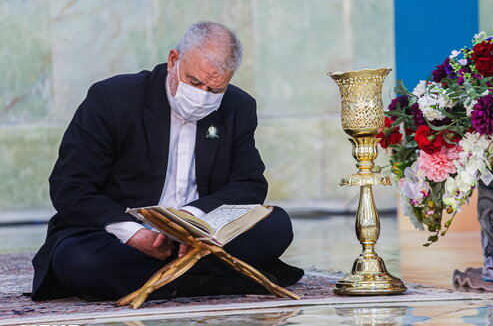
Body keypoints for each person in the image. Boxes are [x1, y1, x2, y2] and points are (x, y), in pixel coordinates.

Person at [31, 21, 304, 301]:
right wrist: (134, 234)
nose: (202, 96)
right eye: (195, 82)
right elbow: (71, 187)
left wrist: (195, 219)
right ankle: (209, 281)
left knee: (277, 225)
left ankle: (166, 282)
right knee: (79, 261)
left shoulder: (238, 107)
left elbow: (249, 185)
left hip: (202, 238)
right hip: (124, 238)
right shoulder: (112, 99)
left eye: (215, 90)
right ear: (174, 60)